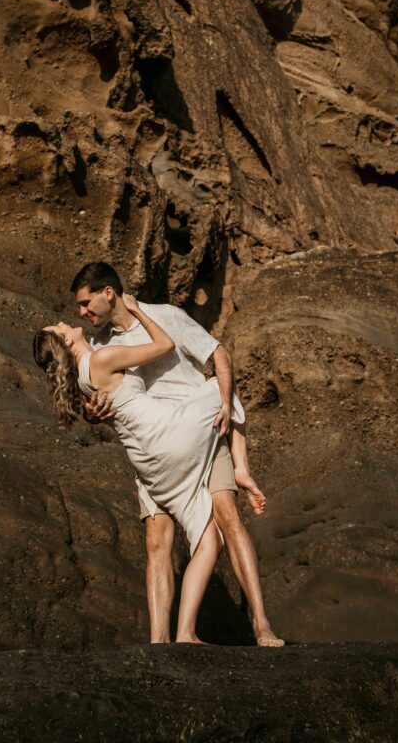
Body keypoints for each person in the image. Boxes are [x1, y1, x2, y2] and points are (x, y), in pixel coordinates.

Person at [69, 261, 283, 647]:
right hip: (155, 448)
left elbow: (219, 354)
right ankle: (160, 643)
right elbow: (109, 403)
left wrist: (223, 403)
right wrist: (93, 414)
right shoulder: (99, 346)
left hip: (201, 430)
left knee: (228, 515)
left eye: (86, 303)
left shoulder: (166, 316)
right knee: (157, 539)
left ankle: (261, 625)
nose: (83, 313)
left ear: (108, 293)